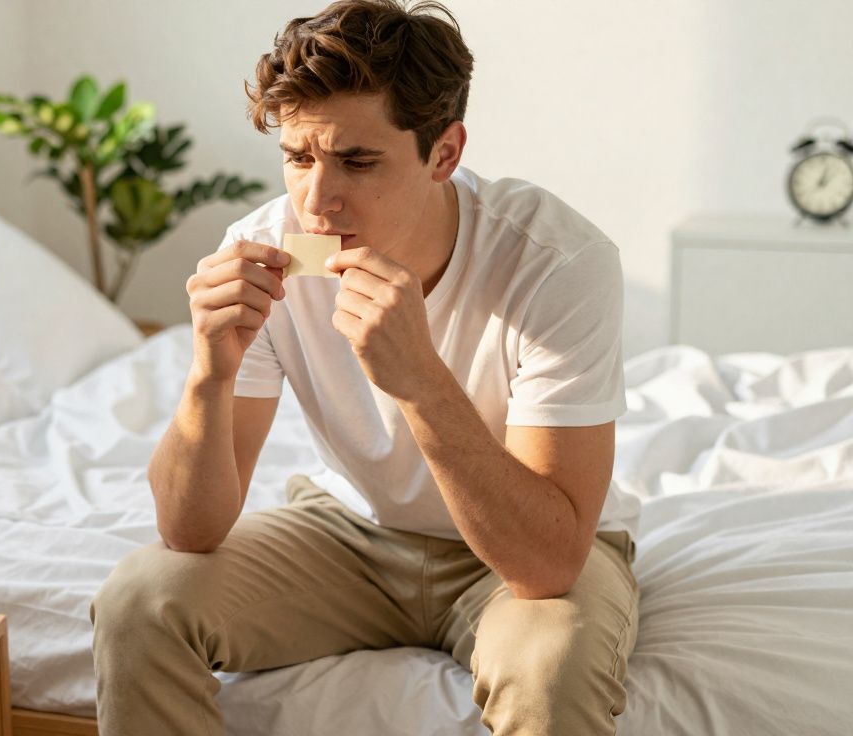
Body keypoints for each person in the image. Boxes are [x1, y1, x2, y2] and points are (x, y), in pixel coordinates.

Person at [90, 1, 642, 734]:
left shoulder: (557, 263)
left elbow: (545, 564)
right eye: (297, 158)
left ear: (444, 153)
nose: (317, 202)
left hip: (521, 553)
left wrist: (417, 377)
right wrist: (208, 375)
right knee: (137, 601)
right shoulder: (260, 248)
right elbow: (190, 534)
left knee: (549, 669)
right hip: (349, 532)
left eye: (357, 161)